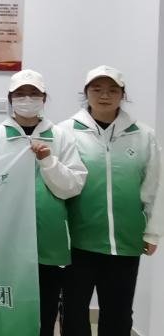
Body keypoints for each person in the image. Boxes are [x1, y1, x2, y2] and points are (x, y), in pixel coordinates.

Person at [0, 69, 86, 336]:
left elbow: (72, 186)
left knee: (46, 310)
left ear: (44, 98)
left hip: (49, 239)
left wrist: (48, 162)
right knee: (7, 308)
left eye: (33, 93)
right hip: (7, 240)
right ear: (10, 99)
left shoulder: (61, 136)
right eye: (20, 94)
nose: (27, 99)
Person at [60, 65, 164, 336]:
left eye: (112, 90)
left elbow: (154, 186)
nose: (104, 95)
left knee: (118, 313)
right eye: (97, 89)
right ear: (86, 93)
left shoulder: (143, 135)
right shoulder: (66, 132)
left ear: (122, 94)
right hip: (76, 242)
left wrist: (152, 232)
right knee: (73, 311)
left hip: (125, 242)